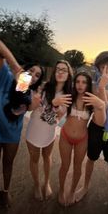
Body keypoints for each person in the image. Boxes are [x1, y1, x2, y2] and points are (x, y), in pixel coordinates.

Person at [0, 38, 44, 207]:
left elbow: (30, 109)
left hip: (12, 136)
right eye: (31, 71)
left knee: (8, 166)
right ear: (24, 70)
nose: (33, 76)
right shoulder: (5, 76)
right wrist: (16, 68)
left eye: (37, 75)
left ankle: (6, 191)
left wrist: (36, 105)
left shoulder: (30, 94)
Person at [76, 51, 108, 204]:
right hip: (96, 128)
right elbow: (102, 111)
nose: (106, 71)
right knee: (91, 159)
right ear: (98, 68)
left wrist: (105, 90)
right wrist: (100, 87)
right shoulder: (93, 85)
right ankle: (85, 187)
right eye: (102, 67)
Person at [26, 60, 73, 201]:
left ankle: (46, 183)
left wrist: (54, 106)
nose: (60, 72)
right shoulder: (44, 86)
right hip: (34, 128)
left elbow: (55, 120)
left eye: (64, 70)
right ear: (54, 72)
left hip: (49, 132)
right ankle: (36, 184)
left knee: (47, 157)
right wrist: (51, 105)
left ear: (68, 74)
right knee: (34, 159)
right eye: (58, 69)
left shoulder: (68, 95)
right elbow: (31, 108)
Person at [58, 72, 106, 206]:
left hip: (82, 139)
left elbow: (101, 122)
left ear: (88, 84)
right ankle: (61, 190)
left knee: (78, 166)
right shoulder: (69, 97)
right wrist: (55, 105)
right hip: (65, 136)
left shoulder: (91, 101)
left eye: (84, 82)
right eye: (78, 81)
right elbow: (58, 114)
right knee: (65, 165)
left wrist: (101, 106)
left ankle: (72, 191)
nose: (80, 85)